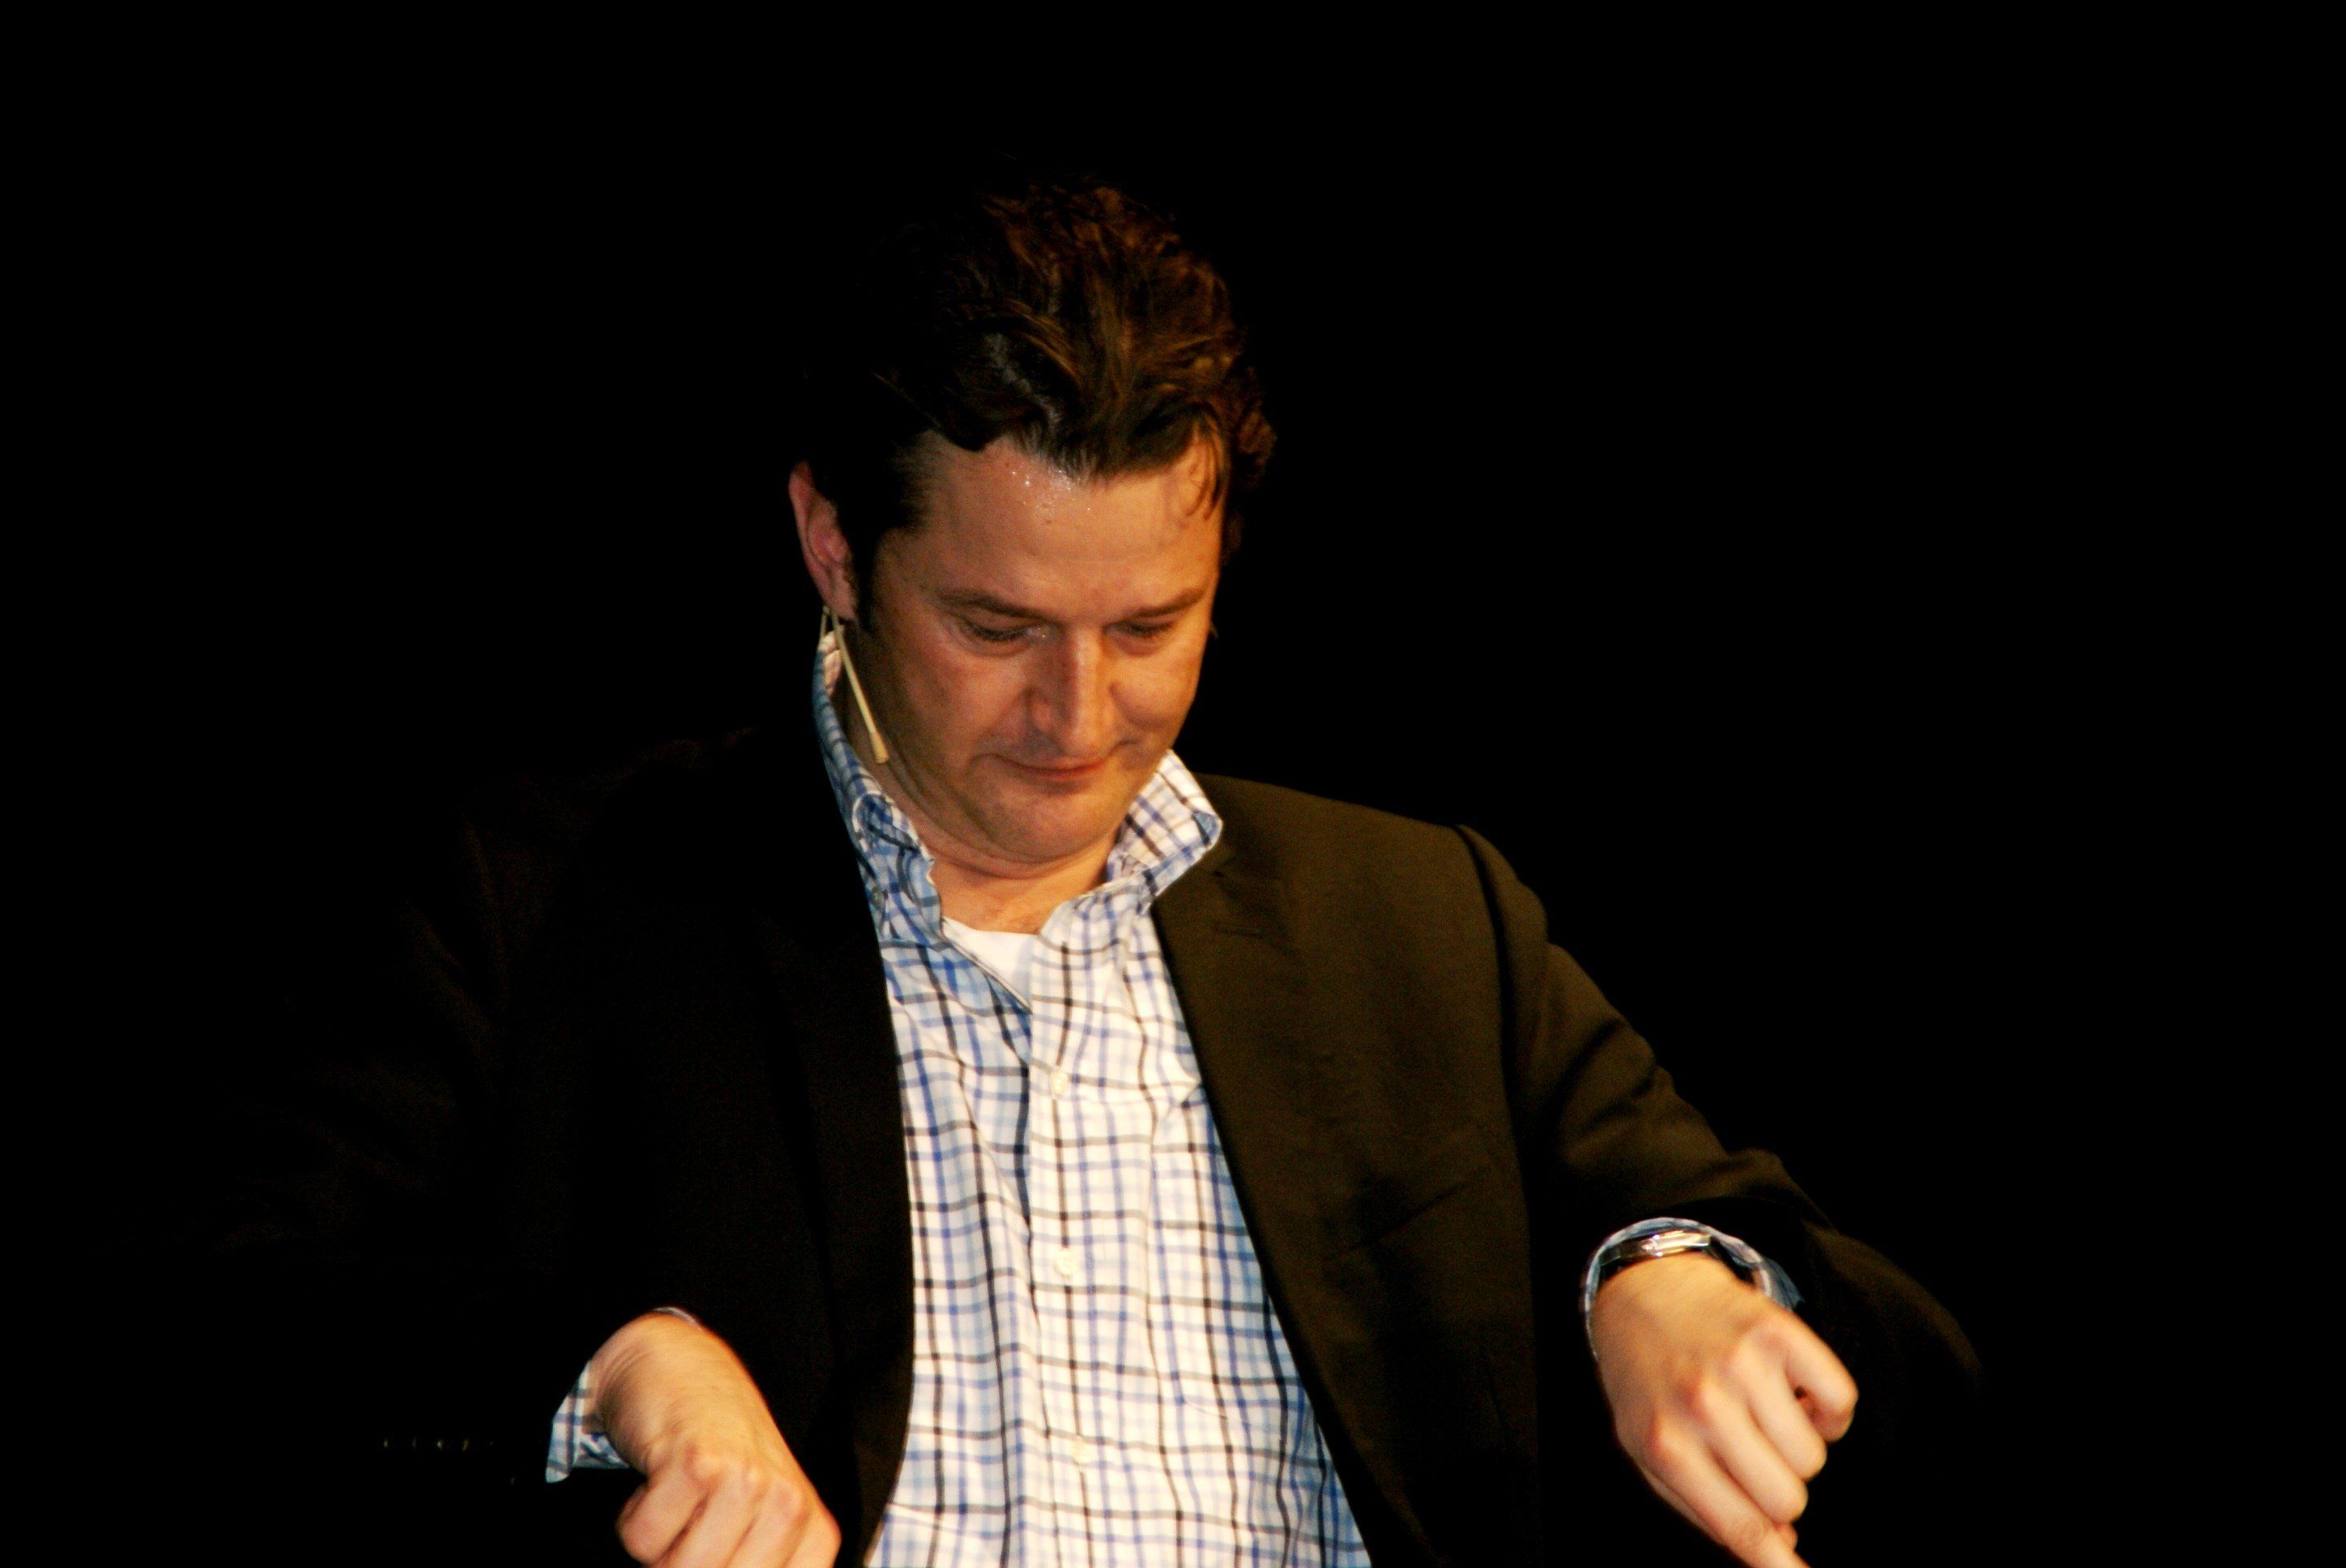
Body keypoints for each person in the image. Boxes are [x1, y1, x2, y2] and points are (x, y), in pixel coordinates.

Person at [194, 173, 1977, 1567]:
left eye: (1149, 627)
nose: (1078, 715)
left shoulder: (1419, 921)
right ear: (831, 543)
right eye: (995, 627)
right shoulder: (547, 895)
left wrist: (1665, 1276)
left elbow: (1885, 1341)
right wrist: (607, 1362)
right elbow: (236, 1306)